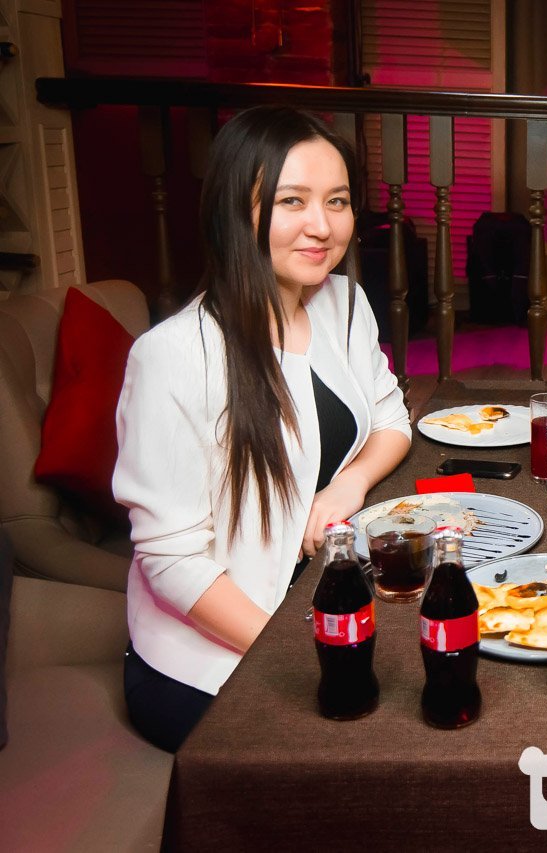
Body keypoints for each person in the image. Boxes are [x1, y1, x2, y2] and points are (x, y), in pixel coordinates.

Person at [113, 106, 412, 752]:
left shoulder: (343, 303)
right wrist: (307, 650)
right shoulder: (173, 357)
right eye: (291, 201)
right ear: (235, 211)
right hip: (213, 661)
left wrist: (348, 485)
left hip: (315, 596)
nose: (321, 225)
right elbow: (172, 561)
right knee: (378, 749)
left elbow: (392, 420)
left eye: (337, 201)